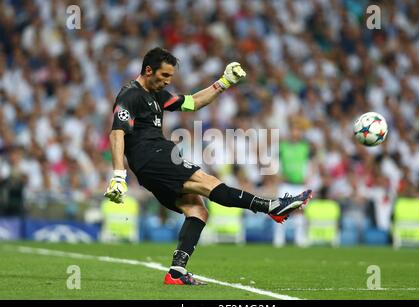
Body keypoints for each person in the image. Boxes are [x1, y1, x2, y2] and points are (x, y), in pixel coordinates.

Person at [104, 47, 312, 285]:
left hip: (151, 165)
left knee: (197, 210)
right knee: (207, 182)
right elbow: (117, 134)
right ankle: (272, 207)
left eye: (171, 77)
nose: (168, 81)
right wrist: (119, 176)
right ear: (148, 70)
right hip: (153, 156)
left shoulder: (157, 94)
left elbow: (192, 102)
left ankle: (176, 272)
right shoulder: (130, 95)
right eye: (164, 76)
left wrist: (224, 82)